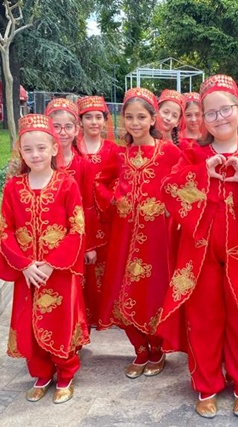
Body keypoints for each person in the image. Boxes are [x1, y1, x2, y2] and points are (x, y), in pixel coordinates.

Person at [157, 75, 238, 418]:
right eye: (211, 113)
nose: (220, 118)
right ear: (202, 117)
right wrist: (202, 174)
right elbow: (169, 190)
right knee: (203, 317)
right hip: (199, 253)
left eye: (226, 109)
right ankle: (206, 384)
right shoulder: (193, 153)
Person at [0, 114, 90, 404]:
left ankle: (66, 373)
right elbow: (5, 230)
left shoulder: (66, 184)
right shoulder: (13, 187)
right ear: (20, 151)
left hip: (59, 271)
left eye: (41, 148)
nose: (35, 154)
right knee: (28, 321)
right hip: (28, 273)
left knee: (61, 321)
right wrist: (25, 266)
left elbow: (76, 228)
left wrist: (51, 263)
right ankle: (41, 373)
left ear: (54, 148)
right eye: (28, 149)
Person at [96, 88, 182, 379]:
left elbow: (184, 183)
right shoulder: (119, 154)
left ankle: (157, 350)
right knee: (122, 287)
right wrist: (114, 201)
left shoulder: (168, 152)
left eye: (141, 117)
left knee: (153, 289)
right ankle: (140, 349)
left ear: (153, 119)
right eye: (129, 117)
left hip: (156, 237)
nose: (135, 123)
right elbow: (100, 182)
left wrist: (170, 207)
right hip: (124, 235)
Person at [45, 98, 100, 325]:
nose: (62, 132)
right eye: (56, 127)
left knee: (72, 286)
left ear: (77, 129)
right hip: (45, 238)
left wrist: (89, 245)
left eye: (68, 127)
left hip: (74, 238)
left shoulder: (83, 165)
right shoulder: (41, 163)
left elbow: (88, 206)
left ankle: (71, 332)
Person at [76, 96, 119, 325]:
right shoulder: (73, 149)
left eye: (98, 117)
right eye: (88, 118)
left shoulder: (113, 150)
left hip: (106, 217)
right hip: (79, 216)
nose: (94, 122)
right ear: (80, 121)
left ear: (105, 120)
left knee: (106, 267)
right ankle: (82, 316)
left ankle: (105, 314)